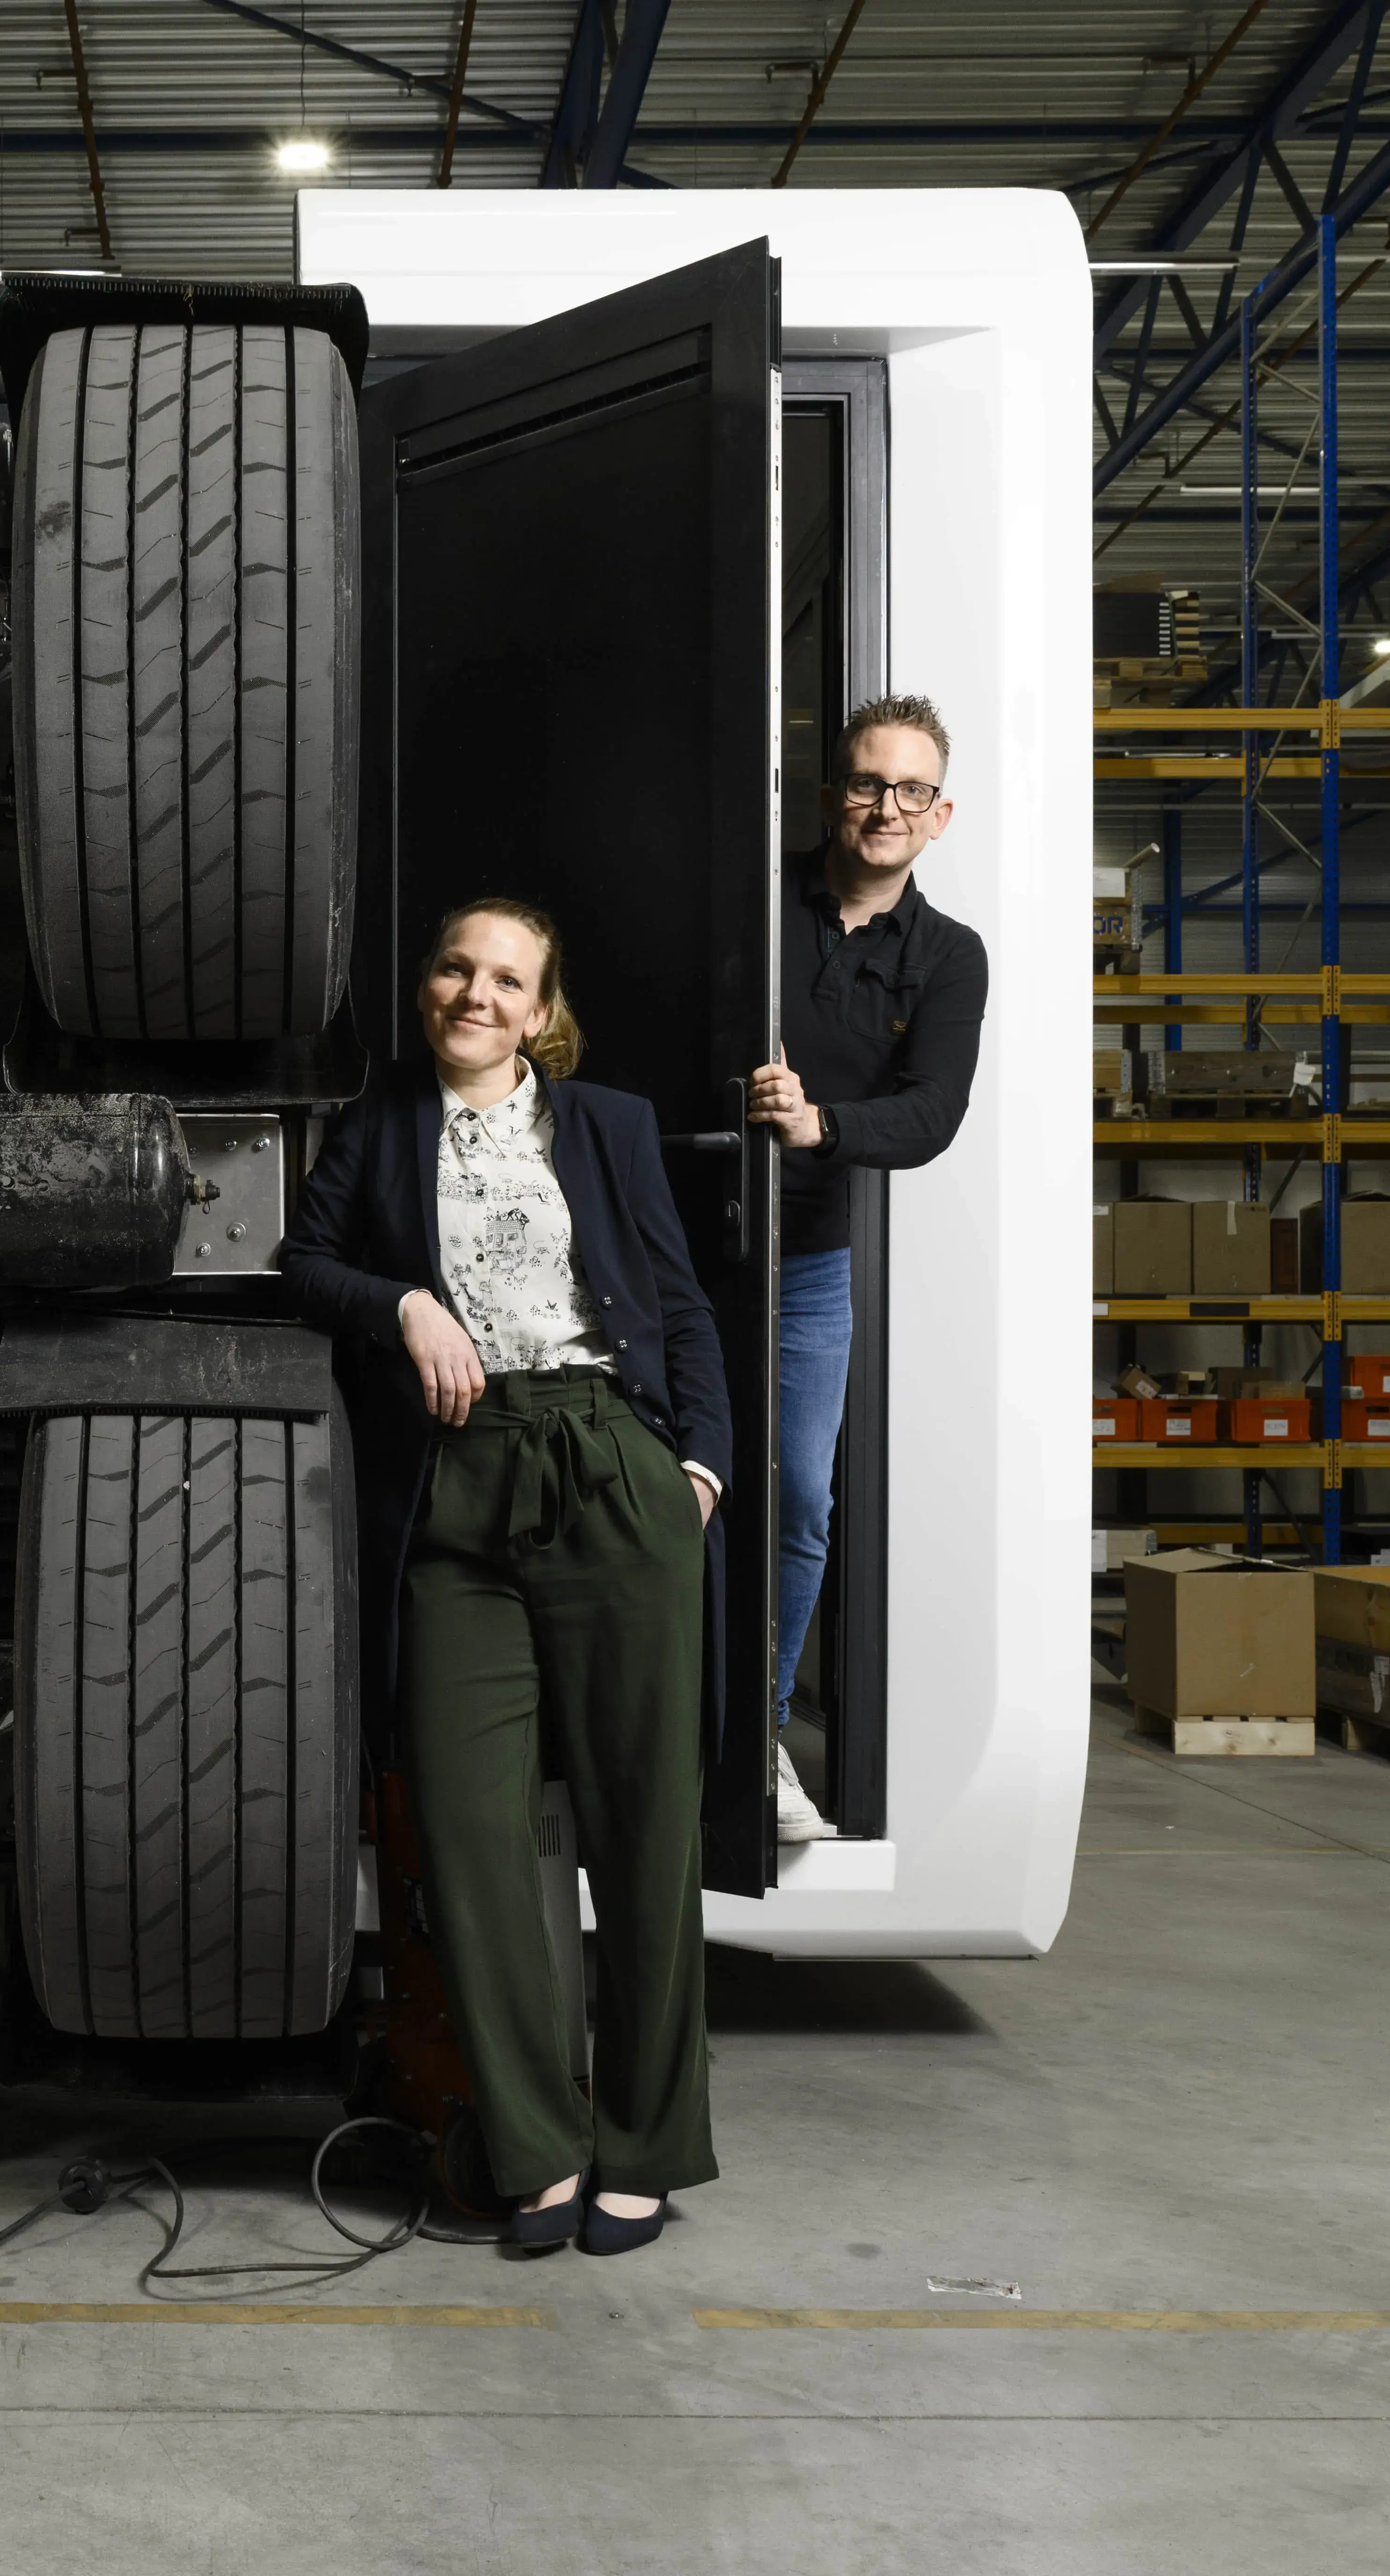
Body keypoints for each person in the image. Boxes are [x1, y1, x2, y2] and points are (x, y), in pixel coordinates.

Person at [280, 899, 733, 2258]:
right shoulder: (375, 1128)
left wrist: (700, 1468)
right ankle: (538, 2145)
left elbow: (680, 1298)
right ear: (429, 988)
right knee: (469, 1839)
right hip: (455, 1491)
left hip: (609, 1467)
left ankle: (646, 2147)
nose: (475, 995)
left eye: (506, 980)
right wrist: (405, 1304)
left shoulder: (607, 1127)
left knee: (646, 1830)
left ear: (542, 1011)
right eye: (456, 970)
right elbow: (304, 1265)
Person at [744, 693, 988, 1842]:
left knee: (797, 1498)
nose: (882, 809)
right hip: (686, 1249)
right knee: (653, 1492)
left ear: (939, 816)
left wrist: (821, 1126)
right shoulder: (750, 898)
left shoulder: (948, 957)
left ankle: (754, 1741)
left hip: (809, 1264)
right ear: (833, 792)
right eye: (863, 783)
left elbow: (933, 1112)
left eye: (908, 792)